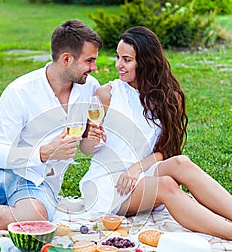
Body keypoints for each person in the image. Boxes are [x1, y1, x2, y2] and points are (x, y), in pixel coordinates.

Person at [0, 19, 102, 232]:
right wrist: (43, 153)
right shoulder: (20, 92)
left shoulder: (89, 88)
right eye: (89, 61)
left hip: (39, 183)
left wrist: (90, 136)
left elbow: (86, 147)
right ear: (66, 59)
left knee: (38, 220)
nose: (94, 68)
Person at [79, 26, 232, 240]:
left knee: (182, 162)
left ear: (145, 61)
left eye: (126, 59)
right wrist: (91, 138)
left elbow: (166, 150)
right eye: (117, 57)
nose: (118, 65)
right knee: (166, 185)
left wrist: (136, 168)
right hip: (109, 183)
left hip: (141, 173)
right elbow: (85, 149)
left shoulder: (165, 98)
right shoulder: (106, 95)